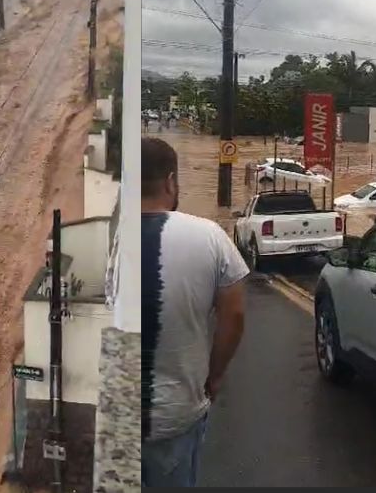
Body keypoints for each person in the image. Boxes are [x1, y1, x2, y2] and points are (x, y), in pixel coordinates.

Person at [142, 137, 248, 487]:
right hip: (177, 414)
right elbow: (233, 318)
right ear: (171, 181)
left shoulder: (100, 234)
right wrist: (214, 376)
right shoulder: (210, 236)